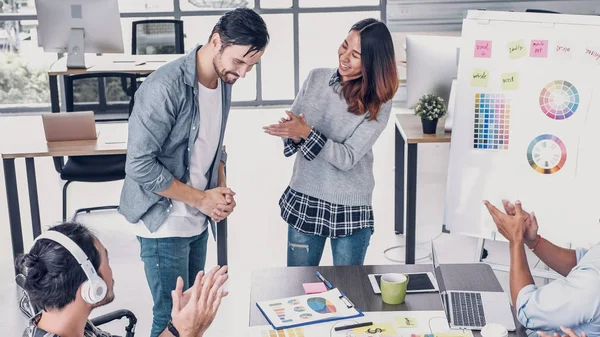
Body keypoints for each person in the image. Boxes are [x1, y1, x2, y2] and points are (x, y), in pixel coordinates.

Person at [118, 8, 269, 337]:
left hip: (196, 220)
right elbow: (139, 165)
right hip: (164, 223)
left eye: (251, 66)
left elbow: (212, 144)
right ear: (216, 41)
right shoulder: (164, 88)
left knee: (193, 317)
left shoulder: (222, 83)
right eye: (240, 62)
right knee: (171, 319)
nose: (243, 73)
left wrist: (221, 190)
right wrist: (202, 199)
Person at [263, 18, 398, 266]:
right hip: (306, 195)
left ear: (373, 62)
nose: (344, 57)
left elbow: (347, 157)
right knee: (298, 285)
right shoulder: (315, 78)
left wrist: (306, 133)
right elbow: (296, 128)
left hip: (350, 206)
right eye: (344, 46)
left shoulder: (379, 102)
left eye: (355, 54)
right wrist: (292, 133)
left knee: (349, 291)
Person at [18, 222, 228, 337]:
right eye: (106, 260)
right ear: (92, 287)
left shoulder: (69, 325)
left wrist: (176, 327)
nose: (111, 270)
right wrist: (192, 332)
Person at [483, 199, 600, 337]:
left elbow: (527, 311)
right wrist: (533, 241)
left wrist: (516, 240)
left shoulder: (592, 287)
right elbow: (583, 262)